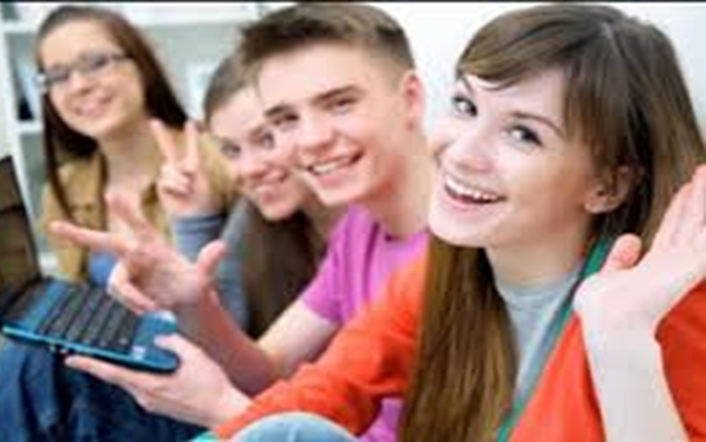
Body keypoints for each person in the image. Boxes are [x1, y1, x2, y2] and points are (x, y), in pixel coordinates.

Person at [196, 4, 705, 441]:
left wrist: (621, 341)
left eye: (523, 135)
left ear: (607, 186)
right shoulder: (443, 272)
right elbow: (326, 389)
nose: (462, 152)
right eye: (466, 106)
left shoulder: (662, 307)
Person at [0, 4, 432, 441]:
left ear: (410, 98)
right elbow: (270, 369)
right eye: (286, 119)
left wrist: (221, 409)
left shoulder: (454, 257)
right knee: (50, 368)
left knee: (45, 375)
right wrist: (193, 301)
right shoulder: (360, 229)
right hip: (280, 421)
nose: (310, 138)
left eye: (340, 103)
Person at [34, 5, 235, 287]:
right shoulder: (63, 189)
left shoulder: (221, 160)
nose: (78, 85)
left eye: (97, 63)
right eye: (58, 77)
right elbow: (79, 296)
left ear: (142, 65)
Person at [155, 52, 343, 336]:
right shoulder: (252, 219)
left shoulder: (374, 225)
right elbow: (216, 339)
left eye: (267, 139)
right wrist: (194, 221)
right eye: (231, 150)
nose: (249, 168)